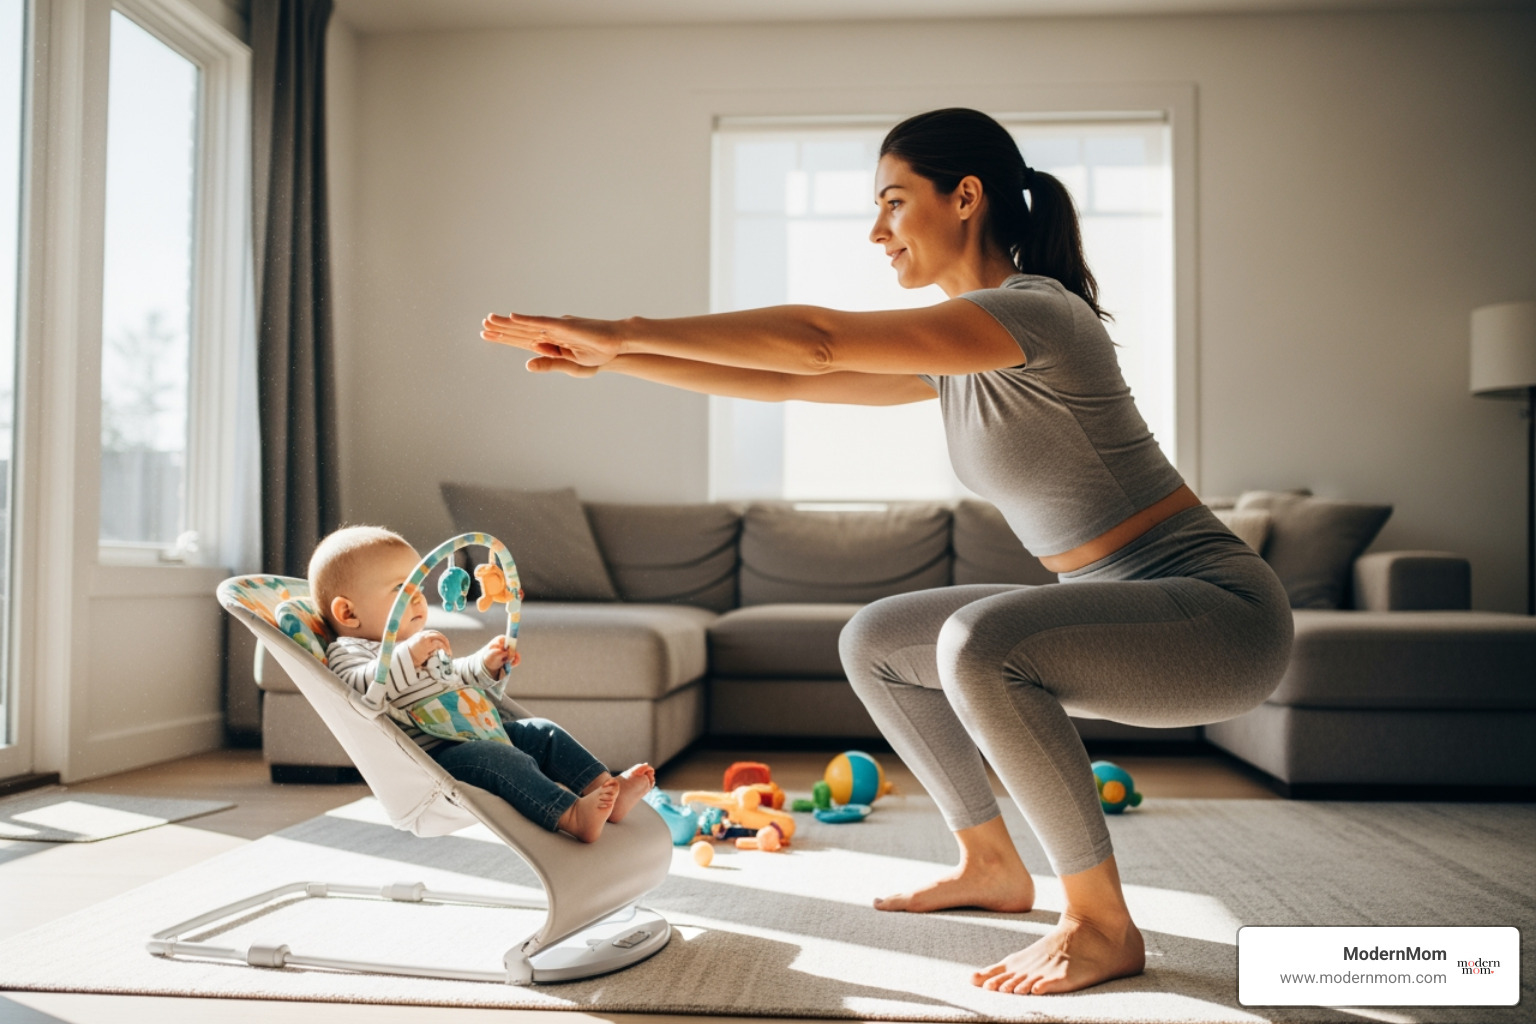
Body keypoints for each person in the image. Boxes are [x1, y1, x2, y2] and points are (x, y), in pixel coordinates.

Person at [478, 107, 1292, 994]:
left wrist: (625, 325)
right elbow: (788, 379)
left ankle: (1099, 922)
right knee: (877, 638)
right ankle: (991, 865)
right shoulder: (962, 352)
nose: (878, 231)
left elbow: (819, 341)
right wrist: (617, 359)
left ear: (966, 198)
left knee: (979, 643)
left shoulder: (1036, 314)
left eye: (895, 203)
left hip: (1217, 616)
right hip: (1134, 602)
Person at [308, 525, 655, 843]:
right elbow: (359, 692)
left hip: (480, 730)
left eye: (416, 587)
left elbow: (453, 679)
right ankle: (570, 814)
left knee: (541, 732)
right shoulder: (348, 652)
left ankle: (606, 786)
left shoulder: (417, 646)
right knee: (499, 759)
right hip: (441, 758)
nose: (416, 598)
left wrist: (484, 665)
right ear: (348, 614)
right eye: (401, 590)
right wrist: (406, 658)